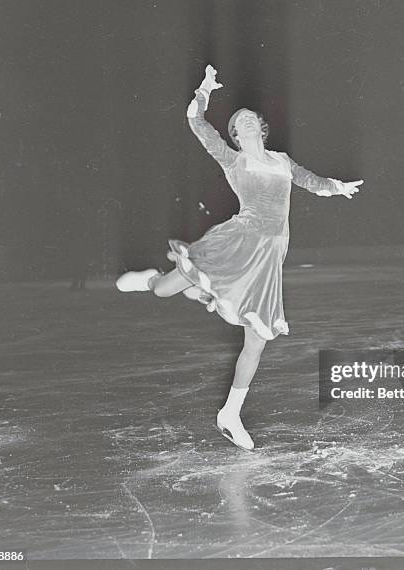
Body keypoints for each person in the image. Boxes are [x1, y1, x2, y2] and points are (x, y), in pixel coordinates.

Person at [116, 65, 362, 451]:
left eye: (251, 119)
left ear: (261, 128)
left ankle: (230, 413)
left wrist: (338, 187)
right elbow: (197, 123)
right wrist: (204, 90)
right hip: (237, 242)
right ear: (234, 134)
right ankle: (151, 279)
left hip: (269, 257)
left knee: (258, 339)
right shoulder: (233, 160)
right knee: (165, 291)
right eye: (239, 122)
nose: (246, 123)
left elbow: (311, 181)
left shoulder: (282, 161)